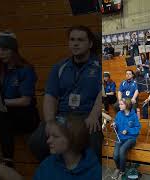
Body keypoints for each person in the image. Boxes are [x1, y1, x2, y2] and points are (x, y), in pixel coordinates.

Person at [29, 25, 101, 162]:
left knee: (94, 145)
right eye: (72, 39)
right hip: (62, 117)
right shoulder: (59, 67)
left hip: (86, 117)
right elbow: (50, 96)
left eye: (80, 40)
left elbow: (101, 94)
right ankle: (56, 171)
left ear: (90, 43)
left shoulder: (99, 67)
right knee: (37, 142)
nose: (75, 43)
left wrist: (93, 116)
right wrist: (49, 121)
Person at [0, 31, 39, 167]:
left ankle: (8, 161)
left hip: (25, 116)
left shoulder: (25, 70)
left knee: (1, 115)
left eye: (5, 49)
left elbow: (25, 101)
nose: (1, 53)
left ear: (13, 50)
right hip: (5, 113)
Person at [33, 114, 101, 180]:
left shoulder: (94, 171)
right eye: (49, 136)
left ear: (73, 139)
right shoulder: (47, 165)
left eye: (55, 136)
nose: (48, 141)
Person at [111, 98, 141, 180]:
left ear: (126, 105)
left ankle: (122, 172)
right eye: (119, 104)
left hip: (131, 138)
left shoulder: (134, 115)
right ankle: (117, 168)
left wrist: (128, 130)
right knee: (115, 156)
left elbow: (137, 129)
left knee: (122, 150)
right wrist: (114, 125)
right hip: (120, 138)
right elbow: (116, 124)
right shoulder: (119, 114)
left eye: (121, 104)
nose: (119, 105)